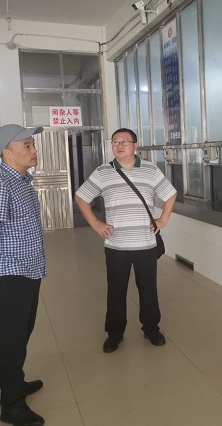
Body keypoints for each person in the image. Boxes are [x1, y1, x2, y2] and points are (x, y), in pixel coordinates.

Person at [75, 128, 177, 354]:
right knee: (116, 291)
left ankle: (151, 329)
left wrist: (163, 219)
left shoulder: (150, 170)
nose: (119, 145)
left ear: (135, 146)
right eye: (115, 142)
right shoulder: (103, 172)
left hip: (146, 244)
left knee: (148, 289)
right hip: (116, 245)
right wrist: (95, 223)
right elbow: (81, 197)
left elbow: (170, 194)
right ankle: (114, 333)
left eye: (124, 141)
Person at [0, 124, 46, 426]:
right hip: (10, 275)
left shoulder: (22, 180)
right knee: (10, 340)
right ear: (7, 153)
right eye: (26, 146)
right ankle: (12, 406)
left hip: (28, 270)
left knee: (21, 333)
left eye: (33, 144)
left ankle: (16, 383)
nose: (34, 150)